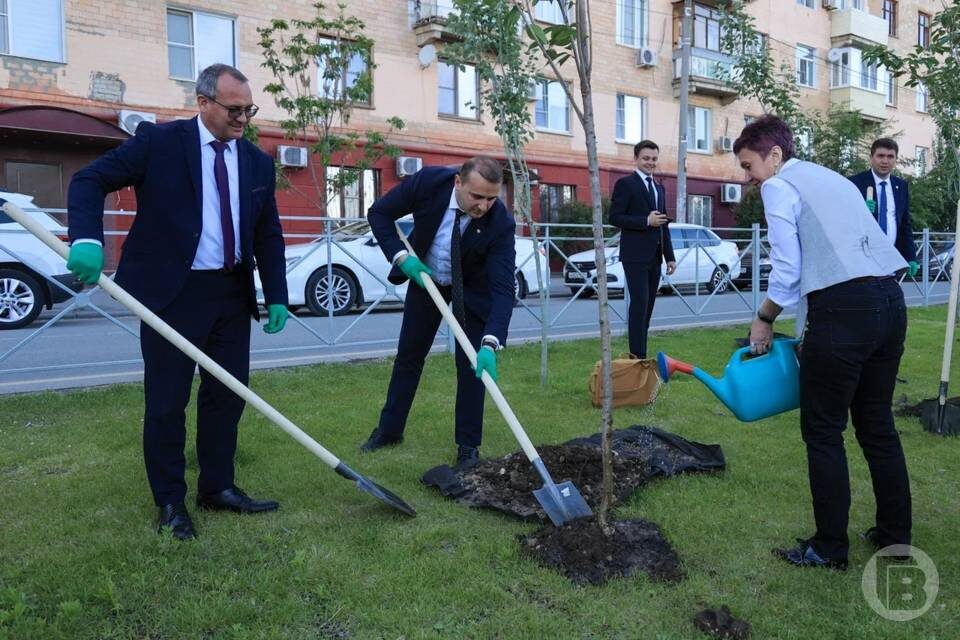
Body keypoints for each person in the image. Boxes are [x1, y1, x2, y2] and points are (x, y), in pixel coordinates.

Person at [65, 64, 290, 540]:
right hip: (172, 293)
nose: (243, 119)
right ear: (203, 102)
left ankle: (218, 487)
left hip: (230, 293)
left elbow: (268, 232)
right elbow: (88, 181)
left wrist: (278, 295)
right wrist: (87, 239)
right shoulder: (158, 143)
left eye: (249, 109)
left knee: (227, 396)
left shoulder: (256, 161)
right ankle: (170, 501)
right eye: (234, 109)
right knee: (167, 402)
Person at [735, 115, 911, 570]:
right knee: (876, 425)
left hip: (845, 311)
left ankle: (829, 548)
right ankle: (895, 537)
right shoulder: (830, 177)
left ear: (774, 155)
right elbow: (830, 255)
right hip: (890, 302)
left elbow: (790, 270)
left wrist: (764, 318)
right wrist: (806, 330)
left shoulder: (779, 186)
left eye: (748, 165)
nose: (747, 178)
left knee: (823, 431)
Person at [360, 156, 516, 466]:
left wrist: (491, 342)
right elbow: (379, 213)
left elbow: (502, 289)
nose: (484, 206)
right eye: (477, 196)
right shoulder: (428, 183)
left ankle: (468, 448)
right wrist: (402, 257)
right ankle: (389, 431)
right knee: (409, 356)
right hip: (425, 276)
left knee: (472, 367)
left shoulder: (500, 222)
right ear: (458, 182)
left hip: (472, 288)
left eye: (491, 198)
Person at [609, 140, 676, 358]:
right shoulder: (626, 184)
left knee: (648, 307)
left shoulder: (659, 188)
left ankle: (640, 352)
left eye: (654, 159)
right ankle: (637, 356)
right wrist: (645, 221)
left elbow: (663, 223)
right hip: (635, 256)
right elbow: (615, 217)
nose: (651, 162)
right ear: (636, 158)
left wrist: (670, 257)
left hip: (655, 257)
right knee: (639, 304)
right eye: (646, 158)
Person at [849, 138, 918, 276]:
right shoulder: (855, 183)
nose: (885, 161)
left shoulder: (901, 186)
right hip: (863, 261)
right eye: (880, 156)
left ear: (895, 159)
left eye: (890, 156)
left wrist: (910, 256)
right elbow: (844, 221)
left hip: (891, 258)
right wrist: (860, 210)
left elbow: (905, 224)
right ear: (871, 158)